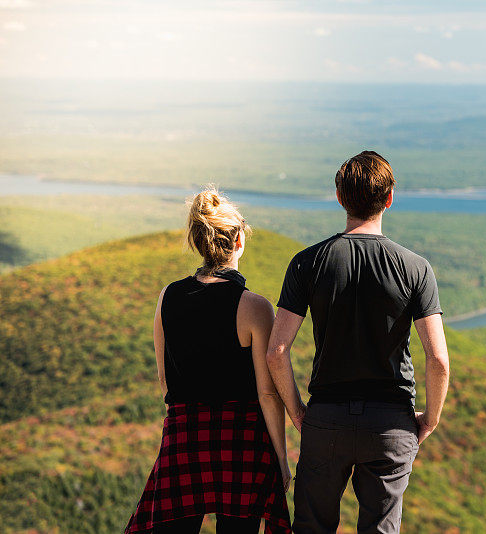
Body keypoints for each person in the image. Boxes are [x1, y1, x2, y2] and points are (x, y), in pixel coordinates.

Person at [266, 151, 450, 534]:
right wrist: (429, 420)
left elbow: (277, 351)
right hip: (391, 423)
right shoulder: (415, 268)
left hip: (326, 418)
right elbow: (438, 359)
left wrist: (298, 411)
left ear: (339, 197)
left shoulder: (307, 262)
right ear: (389, 199)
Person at [125, 187, 292, 534]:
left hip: (184, 438)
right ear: (239, 240)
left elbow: (164, 380)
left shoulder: (167, 297)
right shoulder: (255, 307)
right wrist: (281, 458)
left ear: (198, 243)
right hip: (243, 445)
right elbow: (267, 394)